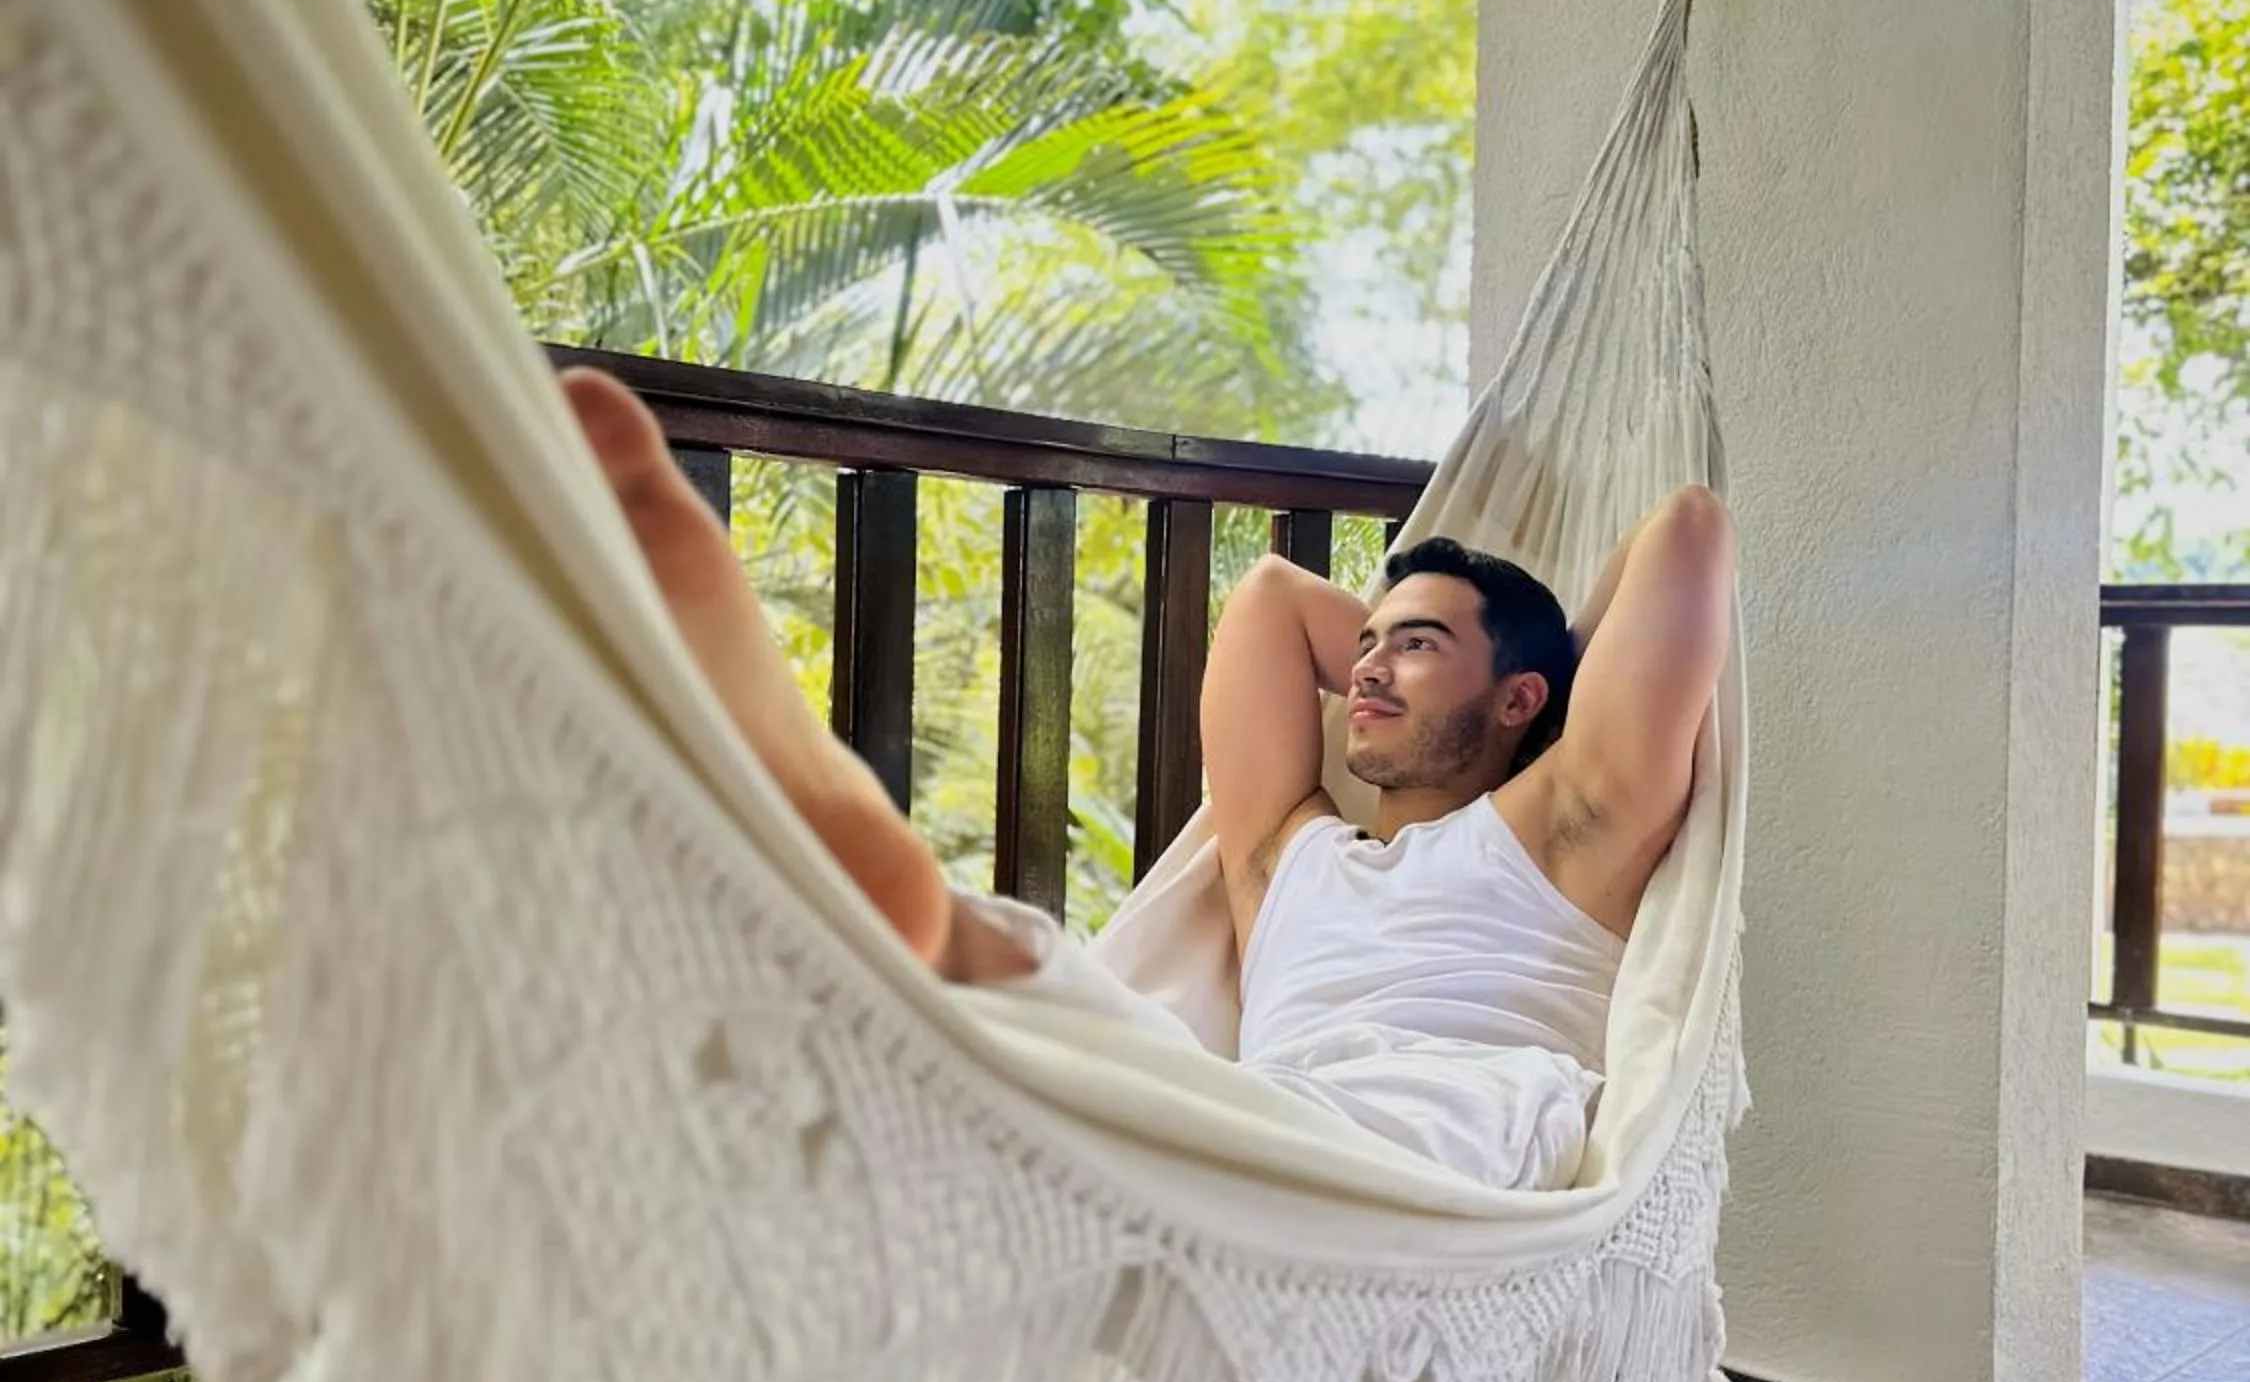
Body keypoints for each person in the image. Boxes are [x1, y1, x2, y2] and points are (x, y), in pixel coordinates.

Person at [562, 366, 1733, 1189]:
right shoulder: (1285, 855)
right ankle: (895, 964)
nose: (1367, 669)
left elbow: (1687, 527)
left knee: (1082, 1095)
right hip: (1247, 1121)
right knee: (1035, 1032)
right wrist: (1426, 658)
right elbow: (1271, 598)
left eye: (1413, 646)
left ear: (1523, 699)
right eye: (1365, 646)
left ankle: (877, 909)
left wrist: (1552, 685)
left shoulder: (1565, 830)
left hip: (1438, 1136)